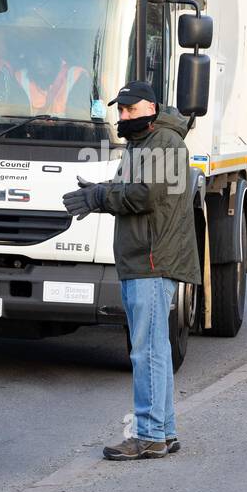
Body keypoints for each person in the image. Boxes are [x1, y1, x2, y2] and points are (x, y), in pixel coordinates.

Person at [60, 81, 200, 460]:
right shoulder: (145, 143)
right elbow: (133, 187)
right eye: (120, 110)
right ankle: (163, 431)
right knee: (155, 348)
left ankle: (150, 434)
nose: (123, 116)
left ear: (151, 108)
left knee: (146, 351)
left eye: (130, 109)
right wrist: (101, 188)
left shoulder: (165, 144)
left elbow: (143, 195)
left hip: (151, 261)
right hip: (142, 259)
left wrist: (99, 197)